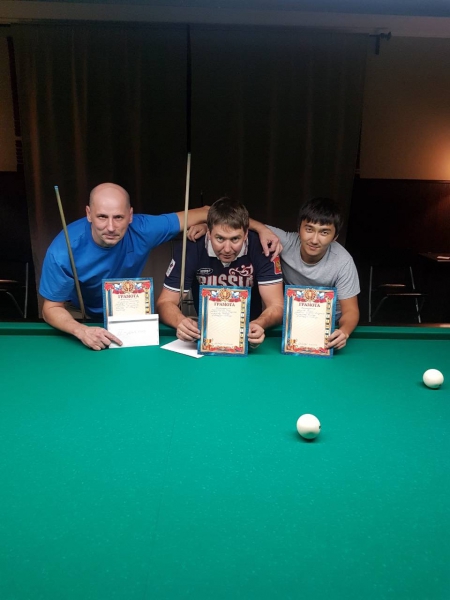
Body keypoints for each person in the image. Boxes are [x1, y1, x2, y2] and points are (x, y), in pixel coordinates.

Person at [40, 182, 209, 350]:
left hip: (128, 312)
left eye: (118, 217)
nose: (111, 227)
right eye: (102, 217)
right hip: (81, 313)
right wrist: (81, 330)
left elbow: (208, 212)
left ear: (130, 215)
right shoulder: (62, 251)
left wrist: (207, 225)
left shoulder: (144, 228)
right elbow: (51, 308)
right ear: (89, 214)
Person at [188, 197, 360, 349]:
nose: (314, 239)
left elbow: (351, 310)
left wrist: (344, 331)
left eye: (324, 232)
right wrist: (209, 227)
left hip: (331, 325)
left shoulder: (343, 261)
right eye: (309, 229)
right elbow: (238, 223)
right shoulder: (282, 240)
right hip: (293, 321)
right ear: (299, 228)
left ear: (335, 237)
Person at [156, 197, 284, 346]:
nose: (227, 249)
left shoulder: (262, 247)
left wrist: (259, 323)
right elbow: (165, 302)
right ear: (208, 233)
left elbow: (277, 306)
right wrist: (180, 321)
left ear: (246, 235)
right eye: (220, 239)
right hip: (205, 335)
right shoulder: (190, 247)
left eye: (235, 239)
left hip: (248, 335)